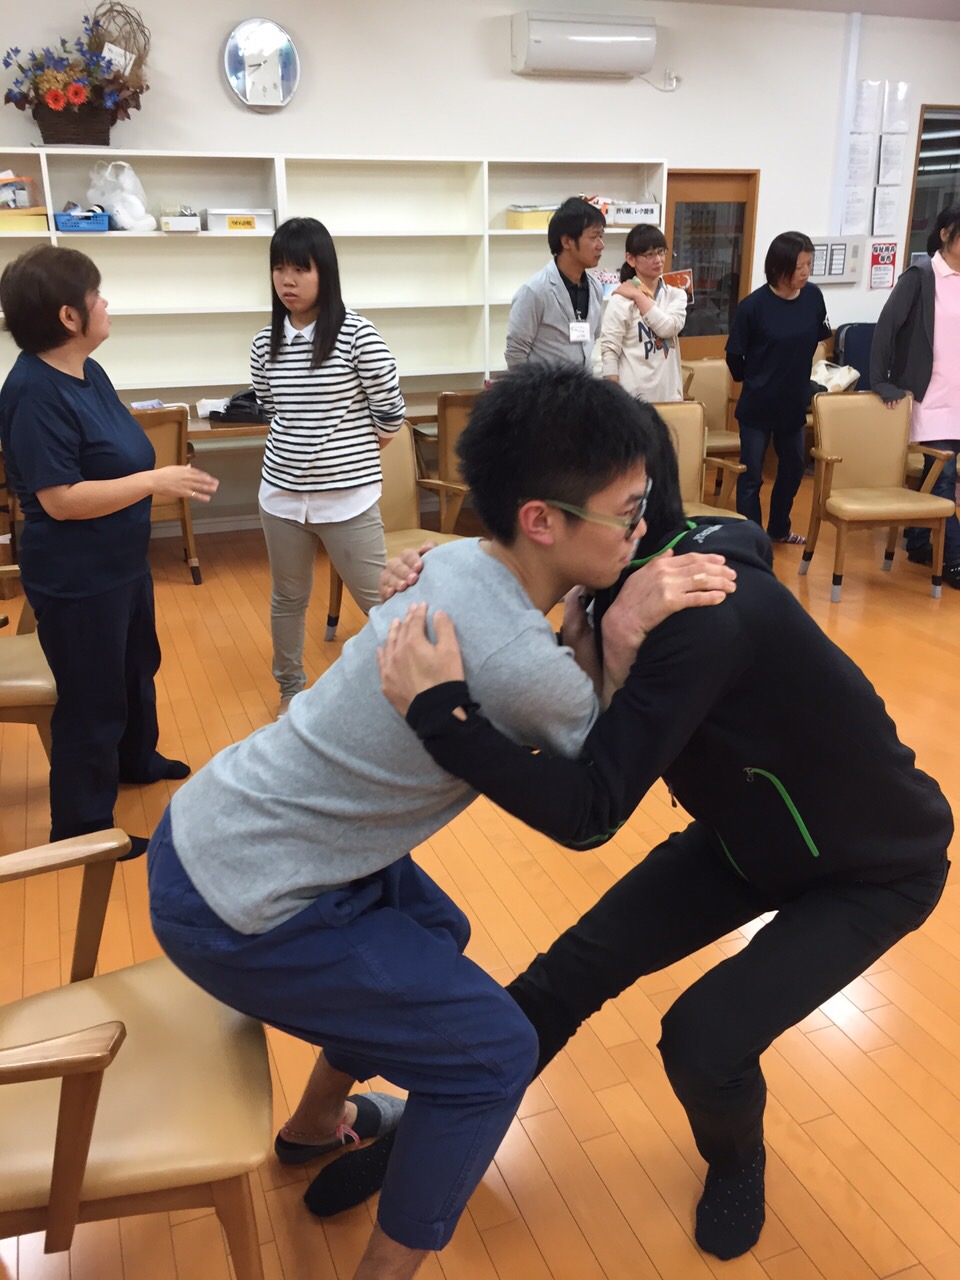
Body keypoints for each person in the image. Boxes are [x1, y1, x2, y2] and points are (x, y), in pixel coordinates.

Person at [146, 365, 735, 1280]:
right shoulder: (515, 657)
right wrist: (620, 634)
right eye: (629, 514)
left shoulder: (455, 559)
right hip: (241, 904)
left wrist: (588, 616)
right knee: (494, 1053)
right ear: (541, 520)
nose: (642, 531)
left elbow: (540, 664)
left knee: (435, 929)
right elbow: (598, 763)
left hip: (215, 832)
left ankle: (315, 1124)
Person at [374, 405, 952, 1264]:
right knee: (562, 976)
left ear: (631, 508)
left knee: (703, 1040)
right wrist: (430, 575)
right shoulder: (620, 576)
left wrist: (442, 717)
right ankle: (427, 1134)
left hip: (872, 868)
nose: (518, 537)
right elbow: (526, 596)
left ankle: (737, 1157)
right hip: (745, 836)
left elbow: (590, 812)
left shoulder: (700, 610)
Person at [0, 245, 219, 859]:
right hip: (76, 576)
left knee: (134, 670)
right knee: (90, 697)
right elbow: (61, 500)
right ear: (69, 316)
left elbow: (111, 451)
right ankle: (82, 827)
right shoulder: (33, 393)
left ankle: (135, 761)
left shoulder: (87, 372)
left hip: (120, 562)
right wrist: (155, 480)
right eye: (96, 295)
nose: (105, 303)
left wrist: (152, 477)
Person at [251, 217, 405, 716]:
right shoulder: (264, 343)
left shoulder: (358, 335)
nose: (288, 280)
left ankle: (413, 688)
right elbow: (271, 408)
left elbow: (390, 412)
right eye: (279, 268)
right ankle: (290, 689)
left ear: (326, 273)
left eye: (301, 269)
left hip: (347, 499)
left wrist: (349, 455)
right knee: (288, 598)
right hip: (281, 497)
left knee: (381, 601)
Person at [871, 203, 960, 591]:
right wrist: (882, 382)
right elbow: (885, 329)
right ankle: (954, 561)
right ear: (945, 234)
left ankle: (921, 542)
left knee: (936, 475)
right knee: (944, 479)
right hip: (931, 398)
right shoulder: (921, 276)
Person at [726, 231, 831, 544]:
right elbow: (734, 356)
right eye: (799, 266)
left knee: (793, 469)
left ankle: (779, 528)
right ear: (778, 267)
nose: (805, 272)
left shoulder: (813, 298)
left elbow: (817, 338)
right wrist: (754, 379)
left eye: (809, 264)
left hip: (793, 403)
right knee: (751, 475)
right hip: (757, 405)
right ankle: (752, 538)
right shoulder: (753, 307)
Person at [504, 196, 605, 371]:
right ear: (566, 241)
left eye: (601, 237)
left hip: (582, 385)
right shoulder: (535, 291)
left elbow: (593, 337)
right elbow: (515, 353)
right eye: (594, 237)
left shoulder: (595, 288)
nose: (601, 245)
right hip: (543, 387)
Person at [600, 222, 687, 401]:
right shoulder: (621, 300)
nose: (658, 260)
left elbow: (669, 328)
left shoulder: (676, 295)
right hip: (632, 402)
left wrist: (638, 296)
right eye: (649, 254)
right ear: (631, 259)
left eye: (661, 252)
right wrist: (614, 397)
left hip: (669, 399)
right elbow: (609, 350)